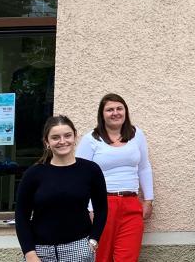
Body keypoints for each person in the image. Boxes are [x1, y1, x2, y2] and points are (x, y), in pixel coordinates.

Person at [15, 115, 108, 262]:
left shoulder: (90, 170)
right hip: (40, 252)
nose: (62, 141)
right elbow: (21, 216)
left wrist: (93, 240)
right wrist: (29, 253)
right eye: (55, 137)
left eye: (67, 135)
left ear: (75, 137)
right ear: (47, 142)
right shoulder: (33, 174)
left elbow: (102, 208)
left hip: (79, 250)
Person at [76, 93, 155, 262]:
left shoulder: (136, 134)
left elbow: (144, 167)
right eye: (109, 109)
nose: (115, 113)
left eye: (119, 108)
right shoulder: (91, 139)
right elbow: (81, 176)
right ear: (102, 114)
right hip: (102, 205)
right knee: (101, 256)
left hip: (131, 204)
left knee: (127, 257)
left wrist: (148, 199)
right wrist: (89, 208)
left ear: (125, 111)